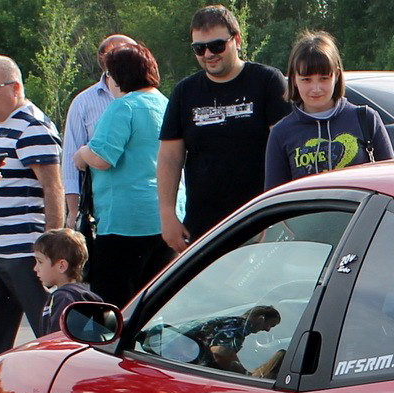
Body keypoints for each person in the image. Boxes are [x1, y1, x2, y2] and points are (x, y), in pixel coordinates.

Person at [158, 4, 290, 253]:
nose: (208, 53)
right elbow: (169, 157)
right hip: (204, 228)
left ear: (237, 40)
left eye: (217, 45)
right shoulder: (185, 92)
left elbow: (285, 149)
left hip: (261, 217)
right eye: (199, 48)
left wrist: (279, 211)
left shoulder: (267, 81)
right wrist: (167, 214)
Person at [0, 56, 64, 375]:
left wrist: (51, 248)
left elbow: (53, 187)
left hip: (27, 254)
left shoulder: (32, 125)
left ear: (15, 88)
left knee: (53, 335)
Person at [75, 43, 175, 309]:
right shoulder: (166, 104)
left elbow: (102, 158)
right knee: (154, 306)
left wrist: (82, 153)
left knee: (112, 306)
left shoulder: (124, 107)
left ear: (117, 76)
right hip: (165, 217)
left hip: (124, 221)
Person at [263, 31, 394, 190]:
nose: (316, 88)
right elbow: (275, 197)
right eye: (306, 80)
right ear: (293, 80)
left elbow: (391, 182)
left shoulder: (366, 119)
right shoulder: (281, 133)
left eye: (324, 78)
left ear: (337, 75)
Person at [61, 34, 138, 232]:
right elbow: (71, 162)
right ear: (105, 60)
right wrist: (73, 214)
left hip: (146, 205)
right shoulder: (83, 103)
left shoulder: (152, 99)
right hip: (103, 210)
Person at [33, 228, 102, 335]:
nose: (35, 268)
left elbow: (57, 341)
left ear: (62, 266)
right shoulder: (77, 295)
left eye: (40, 262)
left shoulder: (64, 298)